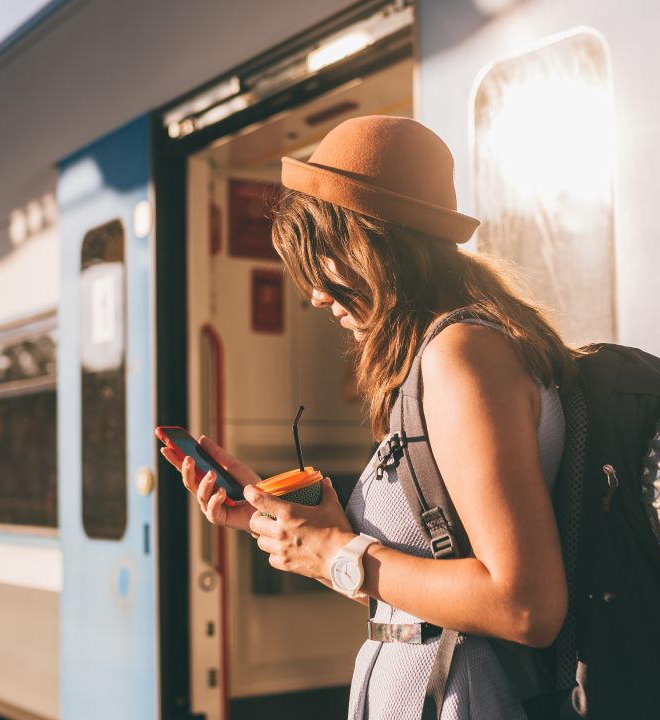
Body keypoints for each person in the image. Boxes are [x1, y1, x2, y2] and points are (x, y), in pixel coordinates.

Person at [161, 115, 582, 719]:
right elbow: (416, 593)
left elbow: (524, 604)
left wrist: (336, 548)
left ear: (370, 243)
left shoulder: (461, 354)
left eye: (321, 258)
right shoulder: (446, 354)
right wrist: (299, 534)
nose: (313, 293)